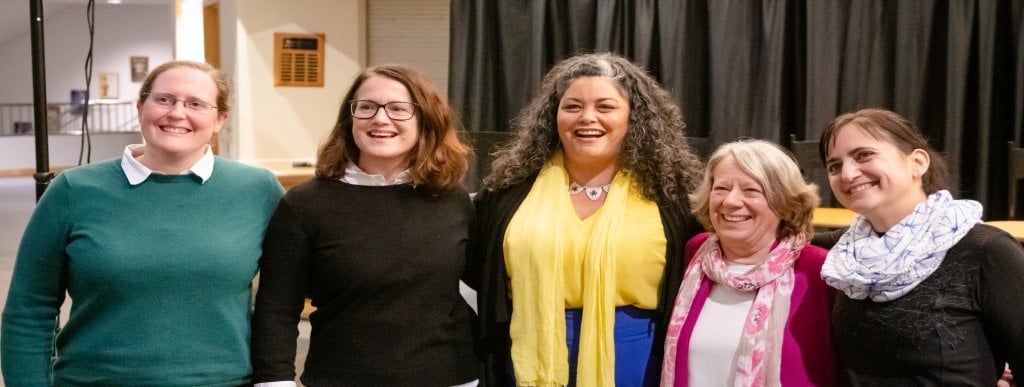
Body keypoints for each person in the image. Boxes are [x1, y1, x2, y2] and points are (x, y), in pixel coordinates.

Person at [0, 60, 285, 385]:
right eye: (164, 99)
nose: (177, 113)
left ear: (220, 119)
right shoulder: (73, 190)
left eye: (196, 104)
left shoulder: (258, 190)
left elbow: (284, 303)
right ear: (140, 107)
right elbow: (30, 309)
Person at [465, 52, 706, 386]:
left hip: (636, 359)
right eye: (573, 106)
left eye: (605, 107)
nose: (587, 118)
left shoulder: (673, 195)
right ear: (554, 115)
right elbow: (480, 268)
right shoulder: (508, 191)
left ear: (633, 117)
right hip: (525, 358)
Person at [250, 64, 479, 386]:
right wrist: (275, 381)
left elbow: (486, 282)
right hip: (341, 377)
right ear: (349, 118)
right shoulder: (305, 205)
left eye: (399, 109)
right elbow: (277, 308)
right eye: (367, 107)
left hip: (452, 376)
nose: (380, 119)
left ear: (425, 121)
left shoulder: (451, 198)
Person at [818, 108, 1023, 385]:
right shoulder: (843, 252)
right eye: (834, 166)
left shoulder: (986, 251)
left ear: (917, 162)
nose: (848, 173)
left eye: (863, 155)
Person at [660, 139, 835, 386]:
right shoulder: (696, 254)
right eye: (721, 188)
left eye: (752, 190)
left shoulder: (818, 269)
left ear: (785, 203)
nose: (731, 201)